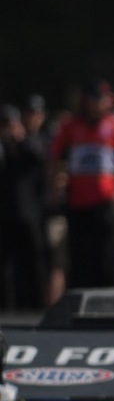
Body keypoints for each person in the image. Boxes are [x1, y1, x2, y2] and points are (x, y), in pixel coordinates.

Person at [47, 80, 114, 289]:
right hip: (78, 203)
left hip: (105, 202)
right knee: (79, 256)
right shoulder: (70, 126)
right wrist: (55, 184)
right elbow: (53, 156)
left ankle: (108, 299)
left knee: (107, 256)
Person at [0, 104, 48, 309]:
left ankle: (37, 305)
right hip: (4, 215)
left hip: (28, 214)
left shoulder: (29, 144)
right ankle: (8, 306)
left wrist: (20, 140)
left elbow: (40, 160)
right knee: (6, 266)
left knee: (34, 261)